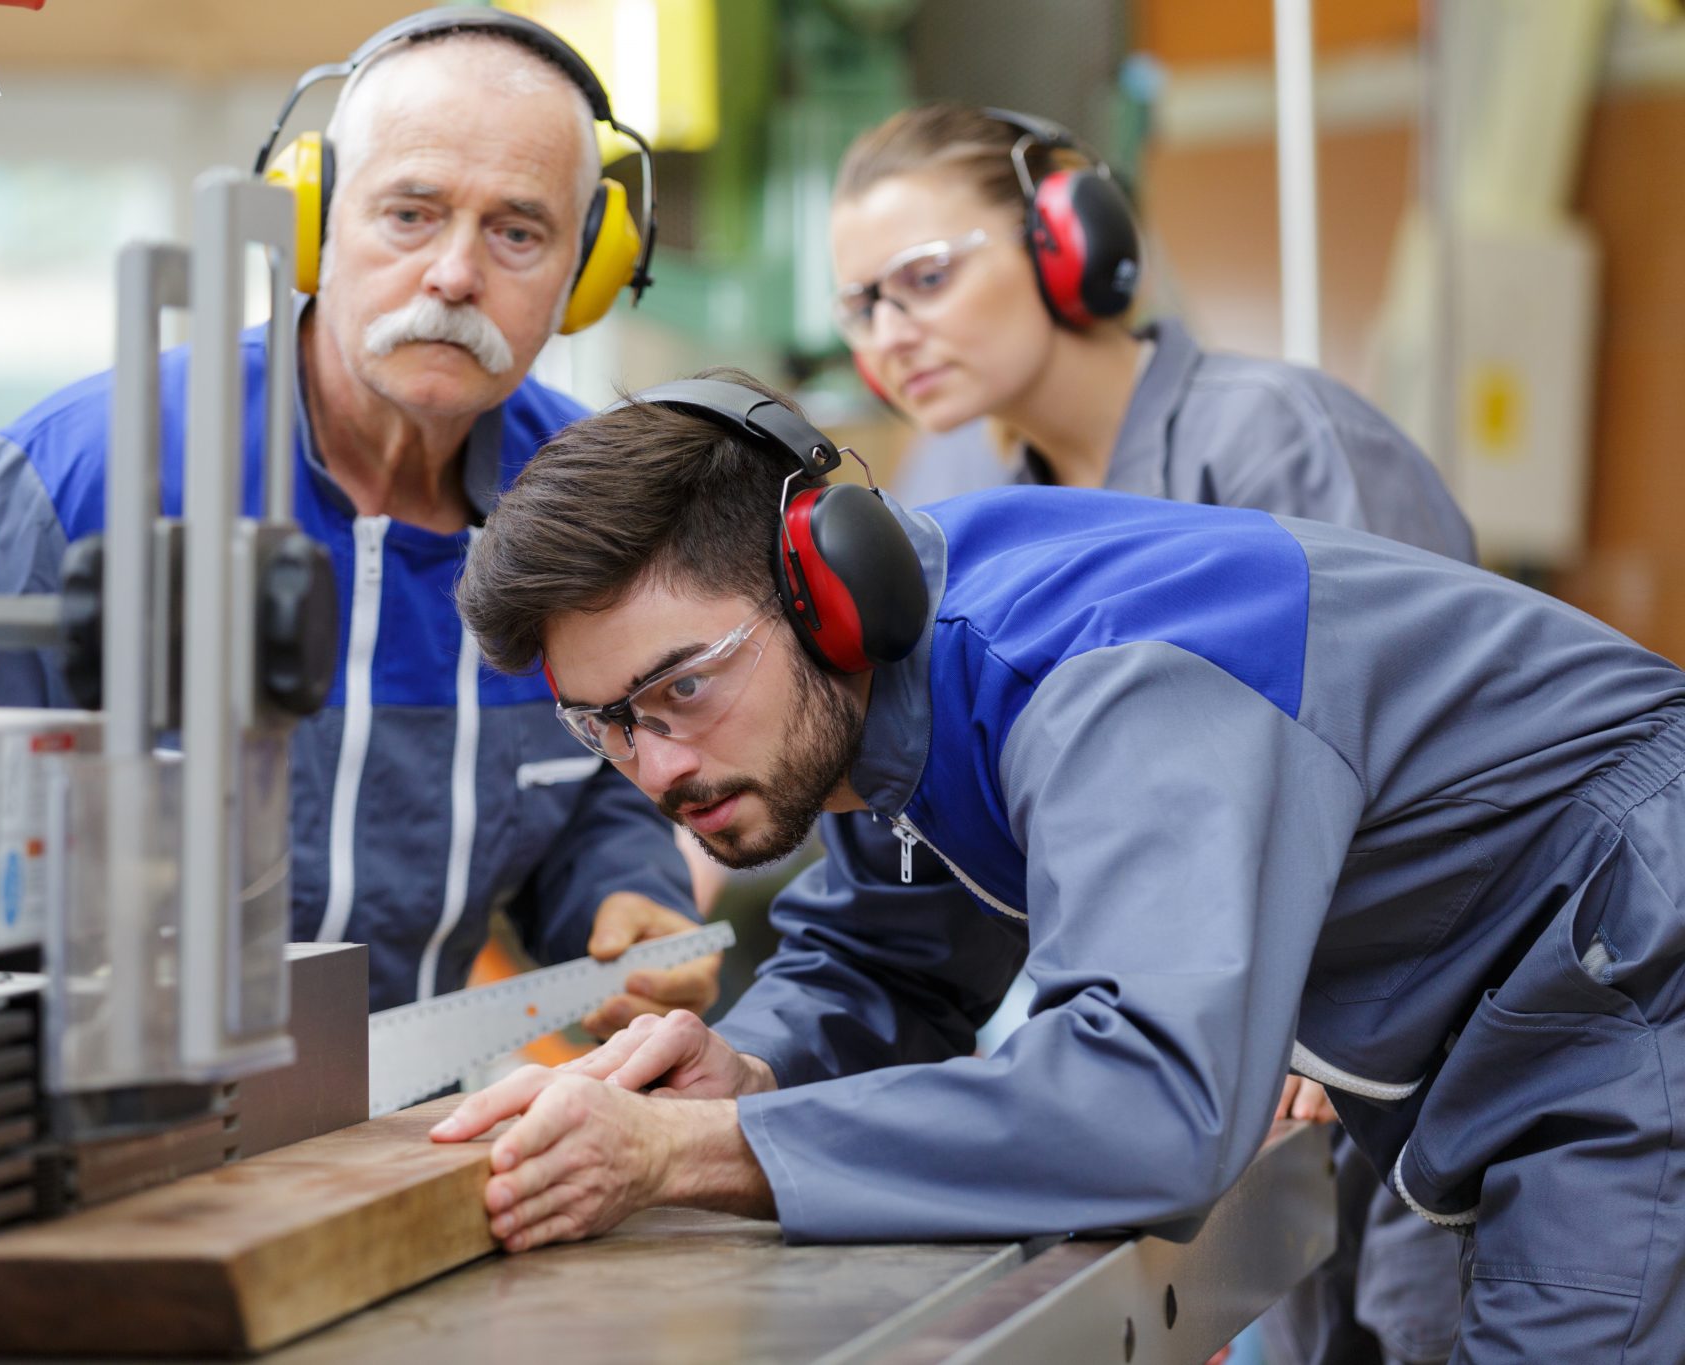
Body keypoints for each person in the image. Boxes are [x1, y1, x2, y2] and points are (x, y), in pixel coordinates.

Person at [434, 373, 1685, 1364]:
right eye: (604, 723)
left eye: (680, 689)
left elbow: (1153, 1104)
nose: (653, 768)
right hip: (1541, 1011)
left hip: (1635, 959)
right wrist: (742, 1076)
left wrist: (678, 1155)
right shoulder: (886, 692)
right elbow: (883, 953)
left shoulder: (1102, 677)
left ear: (827, 589)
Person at [0, 10, 711, 1023]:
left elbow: (598, 777)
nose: (455, 274)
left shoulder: (593, 508)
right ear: (314, 221)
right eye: (410, 213)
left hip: (397, 1141)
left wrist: (626, 889)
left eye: (516, 231)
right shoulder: (83, 472)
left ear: (585, 271)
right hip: (95, 1111)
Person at [831, 103, 1472, 1364]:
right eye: (857, 307)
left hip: (1425, 1058)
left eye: (920, 279)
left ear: (1070, 234)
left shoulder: (1279, 440)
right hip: (1228, 1098)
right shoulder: (966, 527)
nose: (887, 333)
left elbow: (1425, 789)